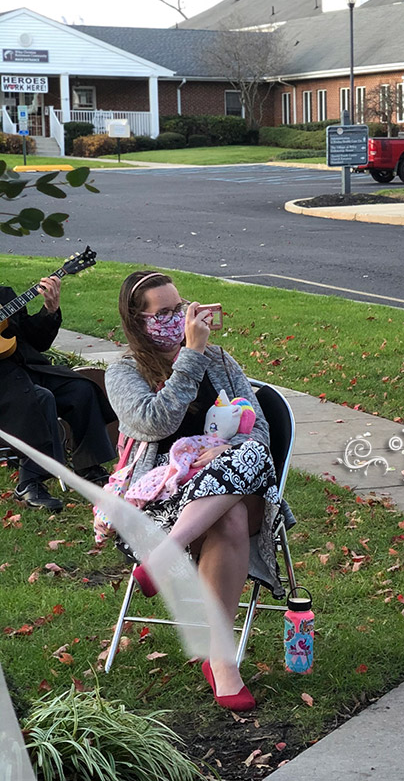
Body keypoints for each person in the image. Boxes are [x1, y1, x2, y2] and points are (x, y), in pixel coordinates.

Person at [106, 270, 287, 712]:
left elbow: (258, 429)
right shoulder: (123, 373)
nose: (178, 317)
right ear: (138, 321)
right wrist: (191, 356)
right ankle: (222, 662)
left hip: (228, 484)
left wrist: (221, 448)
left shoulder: (222, 362)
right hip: (162, 499)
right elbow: (157, 421)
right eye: (164, 312)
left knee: (251, 459)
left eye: (179, 306)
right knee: (231, 517)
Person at [3, 275, 115, 512]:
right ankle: (29, 482)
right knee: (39, 398)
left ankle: (88, 466)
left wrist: (49, 310)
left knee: (80, 389)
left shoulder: (4, 296)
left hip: (27, 368)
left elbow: (36, 341)